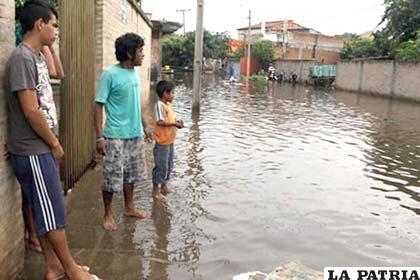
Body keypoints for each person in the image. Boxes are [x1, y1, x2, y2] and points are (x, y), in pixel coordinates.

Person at [4, 1, 100, 279]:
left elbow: (55, 76)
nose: (57, 31)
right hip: (34, 149)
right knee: (52, 211)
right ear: (39, 24)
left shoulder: (34, 56)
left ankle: (54, 267)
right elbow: (31, 110)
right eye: (54, 25)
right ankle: (71, 270)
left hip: (37, 147)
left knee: (44, 208)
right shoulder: (22, 58)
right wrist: (56, 145)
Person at [95, 33, 152, 231]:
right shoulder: (109, 74)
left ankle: (129, 208)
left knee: (131, 175)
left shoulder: (134, 73)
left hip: (135, 135)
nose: (143, 55)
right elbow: (98, 105)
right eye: (140, 51)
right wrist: (100, 137)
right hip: (115, 136)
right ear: (129, 53)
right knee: (111, 178)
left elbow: (136, 103)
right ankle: (108, 213)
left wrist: (146, 125)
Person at [152, 81, 185, 201]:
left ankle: (164, 186)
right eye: (173, 93)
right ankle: (155, 190)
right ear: (165, 94)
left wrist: (177, 122)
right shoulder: (159, 105)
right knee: (160, 167)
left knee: (169, 165)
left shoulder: (168, 105)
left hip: (170, 141)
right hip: (162, 143)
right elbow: (160, 122)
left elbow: (171, 119)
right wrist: (174, 124)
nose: (174, 95)